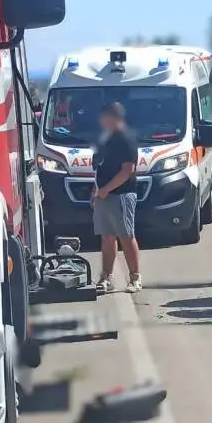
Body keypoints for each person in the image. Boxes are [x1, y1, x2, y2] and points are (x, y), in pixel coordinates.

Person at [91, 101, 142, 293]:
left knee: (126, 236)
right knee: (107, 237)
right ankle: (106, 277)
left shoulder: (125, 139)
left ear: (114, 118)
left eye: (104, 117)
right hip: (103, 194)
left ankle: (135, 277)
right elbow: (99, 168)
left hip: (122, 194)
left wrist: (107, 189)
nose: (101, 121)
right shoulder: (105, 139)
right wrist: (95, 191)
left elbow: (128, 170)